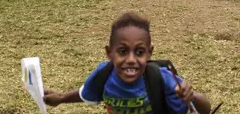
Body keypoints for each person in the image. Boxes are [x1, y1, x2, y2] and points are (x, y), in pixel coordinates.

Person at [43, 13, 212, 113]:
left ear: (149, 53)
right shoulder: (103, 74)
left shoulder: (161, 77)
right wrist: (61, 98)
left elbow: (205, 109)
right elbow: (87, 92)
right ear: (109, 53)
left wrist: (193, 95)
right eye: (122, 51)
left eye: (139, 52)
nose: (131, 60)